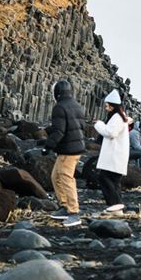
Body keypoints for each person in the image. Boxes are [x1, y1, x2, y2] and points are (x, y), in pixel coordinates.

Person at [44, 80, 86, 228]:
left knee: (66, 178)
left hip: (69, 150)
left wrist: (47, 146)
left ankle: (74, 213)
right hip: (76, 147)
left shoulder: (59, 107)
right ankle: (64, 206)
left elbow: (59, 132)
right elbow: (80, 126)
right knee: (55, 176)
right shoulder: (76, 105)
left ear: (57, 92)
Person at [93, 89, 130, 212]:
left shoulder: (117, 117)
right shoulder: (120, 117)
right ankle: (117, 208)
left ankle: (115, 205)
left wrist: (99, 124)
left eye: (107, 105)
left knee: (104, 178)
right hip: (117, 156)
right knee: (114, 183)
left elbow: (111, 132)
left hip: (115, 156)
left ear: (113, 105)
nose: (105, 107)